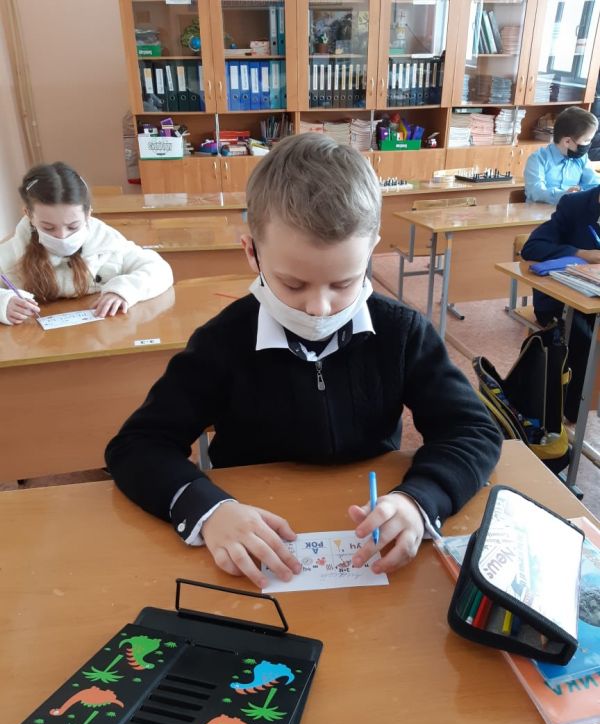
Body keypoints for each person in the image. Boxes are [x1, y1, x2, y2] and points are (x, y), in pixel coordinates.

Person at [105, 133, 502, 588]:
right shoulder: (221, 342)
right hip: (253, 549)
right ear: (252, 252)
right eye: (293, 284)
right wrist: (209, 510)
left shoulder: (402, 333)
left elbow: (472, 430)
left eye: (344, 282)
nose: (319, 308)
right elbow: (136, 446)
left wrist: (420, 499)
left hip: (365, 540)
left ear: (371, 249)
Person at [0, 161, 173, 325]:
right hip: (37, 338)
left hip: (102, 332)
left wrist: (123, 291)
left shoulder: (108, 243)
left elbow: (159, 270)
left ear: (88, 213)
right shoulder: (9, 254)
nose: (62, 236)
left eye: (73, 226)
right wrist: (3, 303)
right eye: (48, 228)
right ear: (28, 215)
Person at [521, 185, 600, 421]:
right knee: (587, 340)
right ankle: (573, 410)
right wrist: (579, 253)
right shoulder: (575, 205)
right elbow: (532, 247)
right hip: (560, 302)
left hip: (594, 301)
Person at [524, 106, 599, 205]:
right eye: (586, 140)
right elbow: (535, 191)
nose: (589, 144)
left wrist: (582, 192)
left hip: (571, 211)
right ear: (567, 141)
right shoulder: (538, 159)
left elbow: (594, 184)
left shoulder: (582, 158)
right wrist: (564, 195)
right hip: (541, 213)